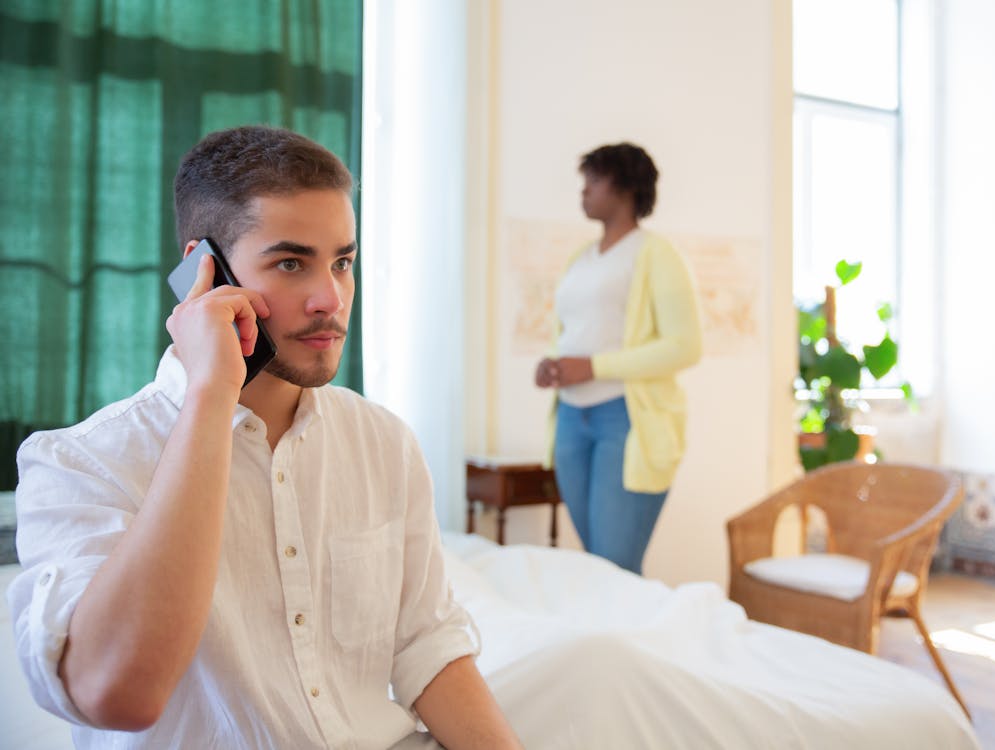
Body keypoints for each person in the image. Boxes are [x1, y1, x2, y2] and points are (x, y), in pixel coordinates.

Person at [6, 126, 521, 750]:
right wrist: (210, 394)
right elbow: (118, 694)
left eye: (342, 262)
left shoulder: (384, 442)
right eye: (290, 262)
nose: (330, 297)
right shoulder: (82, 462)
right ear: (206, 270)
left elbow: (427, 647)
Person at [534, 143, 702, 575]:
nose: (583, 190)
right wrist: (554, 363)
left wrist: (593, 367)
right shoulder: (581, 259)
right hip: (571, 419)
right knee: (597, 569)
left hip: (626, 421)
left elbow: (685, 346)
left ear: (625, 186)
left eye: (593, 179)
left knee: (616, 568)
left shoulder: (655, 254)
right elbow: (576, 330)